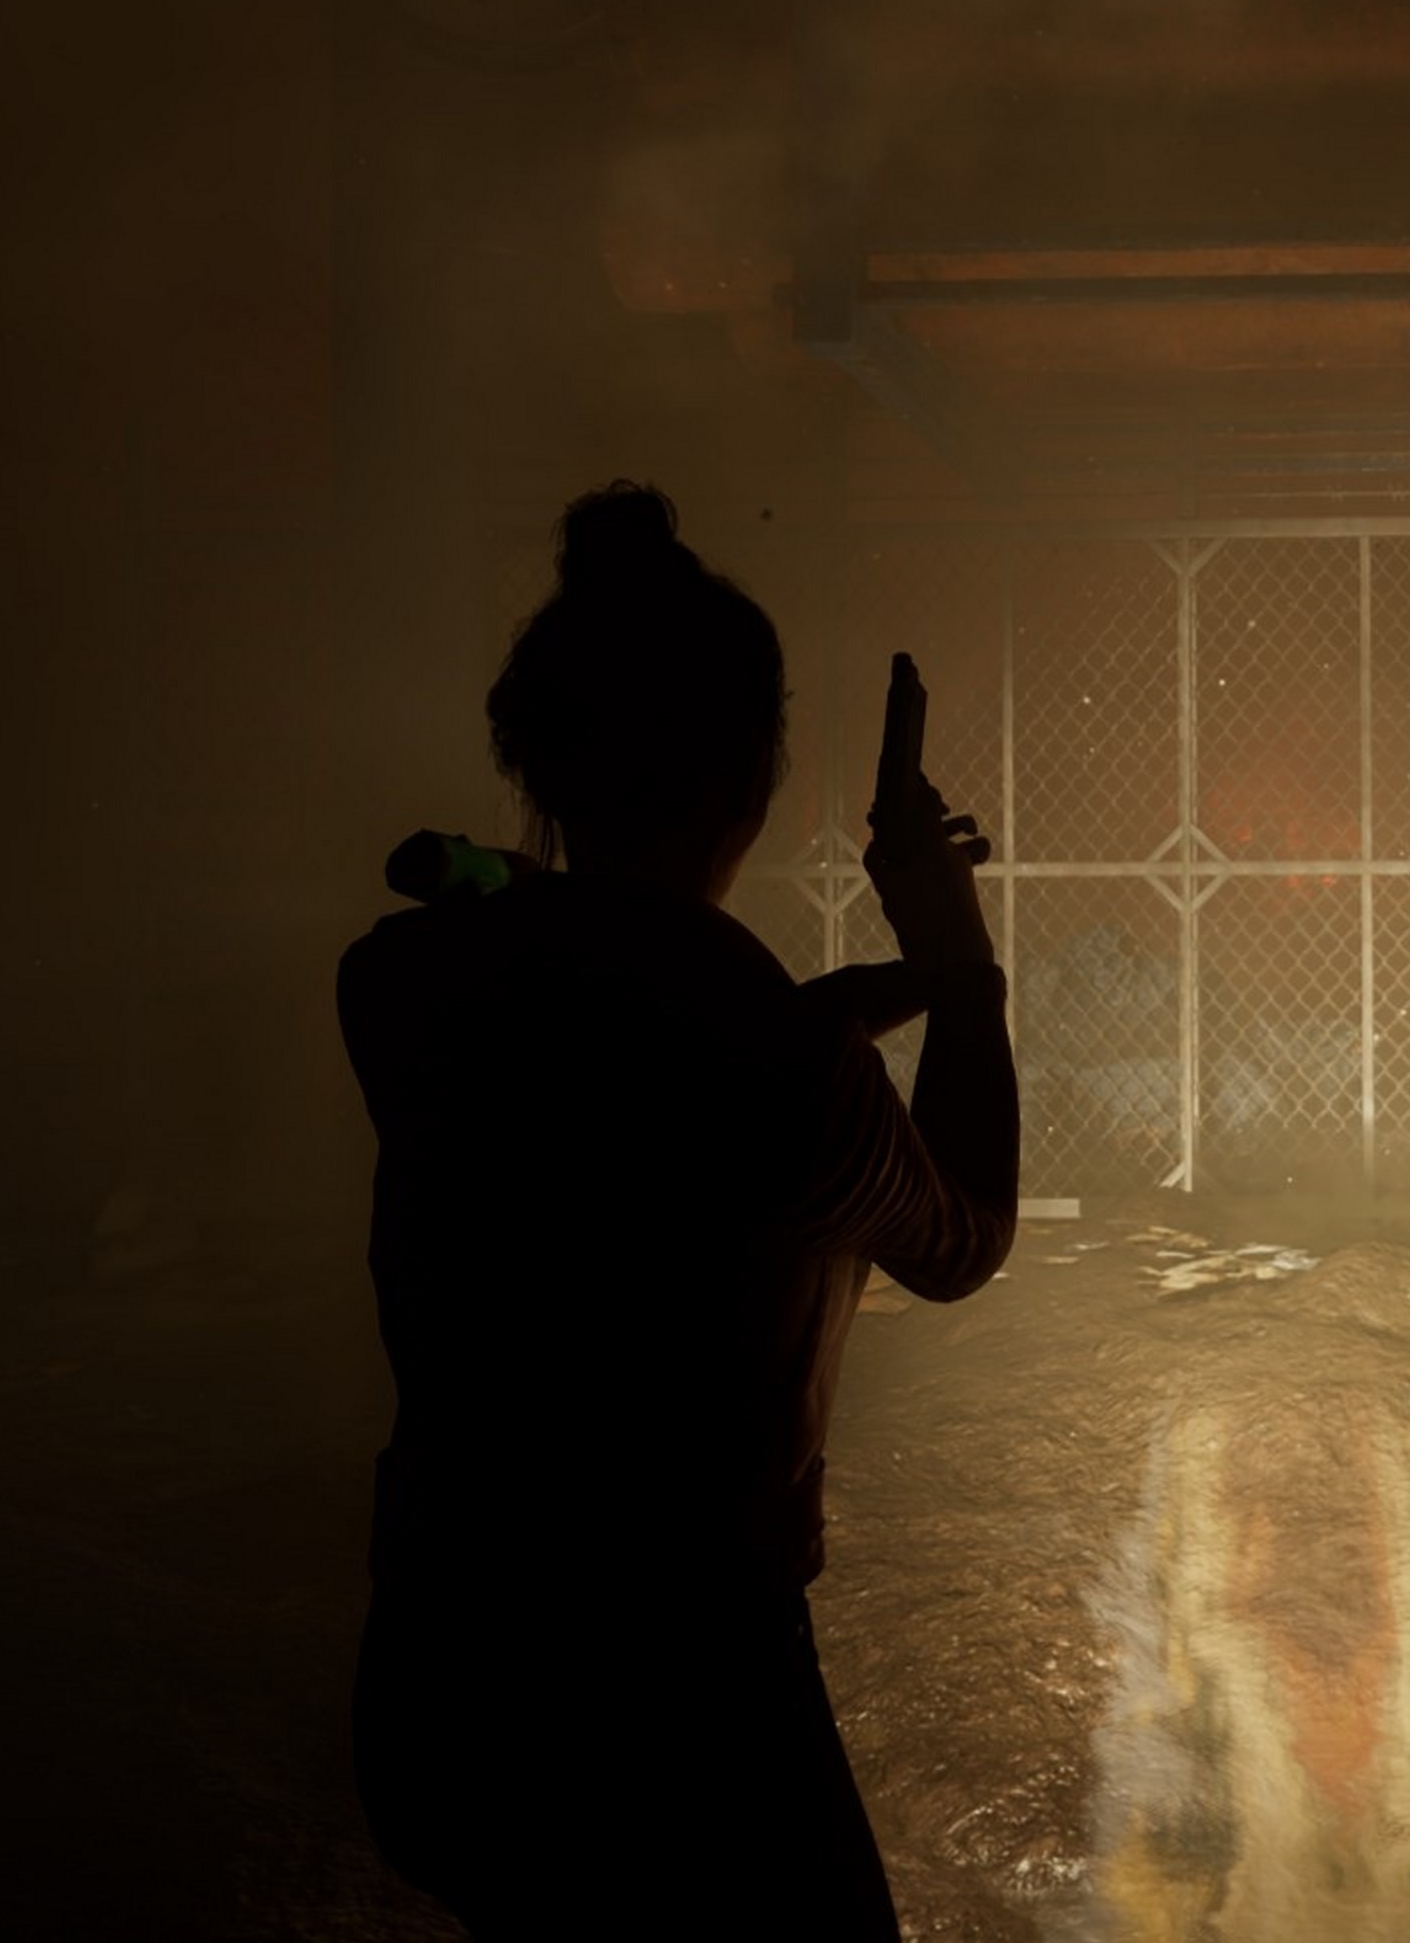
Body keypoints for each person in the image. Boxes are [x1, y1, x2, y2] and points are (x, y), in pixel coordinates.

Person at [331, 482, 1019, 1937]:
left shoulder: (402, 987)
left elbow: (611, 1021)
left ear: (537, 761)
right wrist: (959, 968)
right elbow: (963, 1238)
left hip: (445, 1671)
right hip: (684, 1709)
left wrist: (843, 1003)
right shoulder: (789, 1074)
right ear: (756, 782)